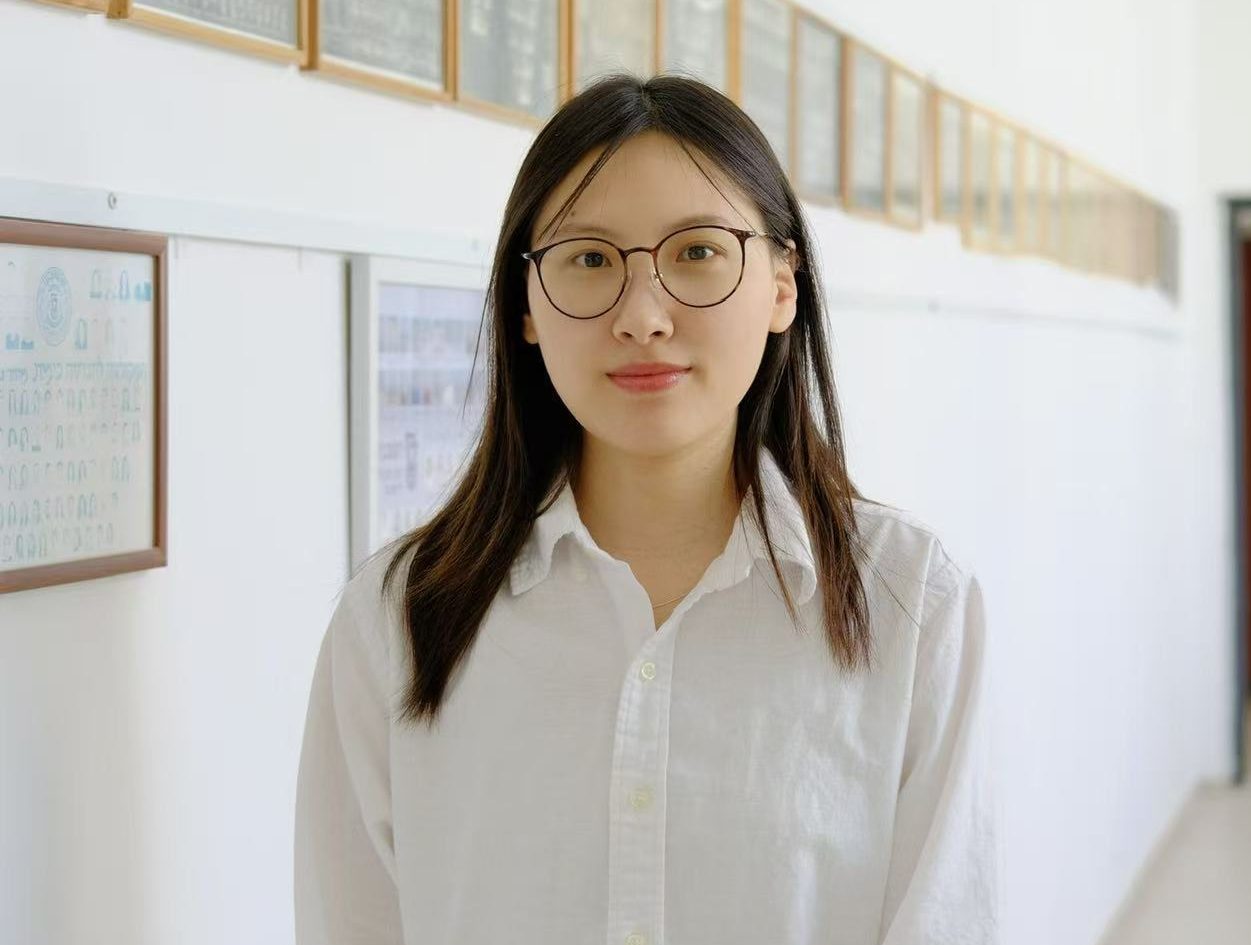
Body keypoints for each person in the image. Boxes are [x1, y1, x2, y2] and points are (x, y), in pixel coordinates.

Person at [294, 73, 998, 945]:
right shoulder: (397, 618)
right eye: (590, 259)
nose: (643, 315)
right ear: (525, 305)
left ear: (783, 284)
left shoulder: (912, 603)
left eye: (697, 252)